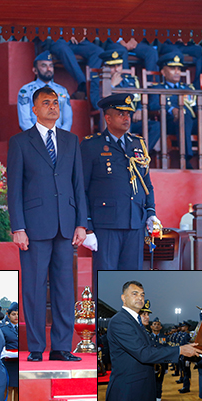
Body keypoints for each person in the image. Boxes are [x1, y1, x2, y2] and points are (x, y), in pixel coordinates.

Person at [7, 85, 90, 363]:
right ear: (34, 109)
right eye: (46, 102)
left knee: (65, 289)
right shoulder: (20, 142)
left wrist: (82, 223)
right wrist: (18, 227)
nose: (53, 107)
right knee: (33, 288)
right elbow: (14, 189)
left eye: (56, 102)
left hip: (66, 226)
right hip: (33, 227)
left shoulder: (71, 140)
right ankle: (35, 348)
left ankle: (61, 348)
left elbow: (78, 185)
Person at [81, 93, 159, 271]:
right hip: (106, 223)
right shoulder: (92, 145)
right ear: (108, 118)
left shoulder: (138, 144)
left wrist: (151, 212)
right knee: (106, 278)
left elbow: (146, 183)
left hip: (135, 223)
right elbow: (81, 189)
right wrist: (88, 226)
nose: (126, 118)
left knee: (131, 280)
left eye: (128, 114)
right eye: (120, 114)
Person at [104, 281, 202, 401]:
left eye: (142, 295)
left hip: (141, 391)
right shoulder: (120, 321)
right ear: (123, 297)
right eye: (134, 294)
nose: (140, 297)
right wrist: (179, 350)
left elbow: (154, 348)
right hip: (128, 394)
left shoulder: (135, 322)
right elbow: (144, 354)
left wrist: (182, 351)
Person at [149, 49, 198, 163]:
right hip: (169, 123)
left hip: (190, 122)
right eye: (172, 68)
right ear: (163, 72)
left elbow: (195, 108)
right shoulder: (157, 89)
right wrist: (171, 109)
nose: (177, 72)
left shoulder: (188, 89)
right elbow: (153, 105)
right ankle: (186, 158)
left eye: (179, 68)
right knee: (183, 116)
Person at [17, 51, 73, 131]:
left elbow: (68, 120)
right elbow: (24, 121)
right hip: (35, 138)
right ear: (35, 70)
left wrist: (61, 137)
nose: (48, 69)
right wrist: (39, 137)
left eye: (51, 66)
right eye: (44, 65)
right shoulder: (26, 90)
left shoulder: (62, 90)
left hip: (58, 137)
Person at [0, 302, 20, 401]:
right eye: (14, 314)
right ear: (8, 315)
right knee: (9, 388)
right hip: (8, 362)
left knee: (17, 389)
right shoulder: (4, 329)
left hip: (19, 362)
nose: (16, 317)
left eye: (18, 314)